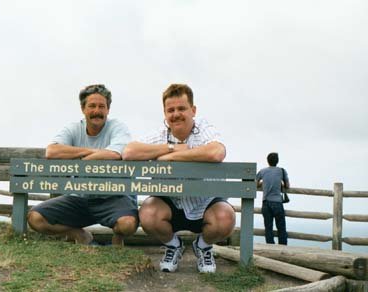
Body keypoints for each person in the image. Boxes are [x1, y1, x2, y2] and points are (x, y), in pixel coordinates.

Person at [122, 83, 235, 273]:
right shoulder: (159, 134)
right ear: (165, 113)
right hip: (170, 203)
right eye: (170, 110)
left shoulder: (204, 128)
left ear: (193, 110)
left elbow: (216, 152)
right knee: (148, 214)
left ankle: (203, 246)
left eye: (181, 108)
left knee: (225, 217)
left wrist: (171, 158)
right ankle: (174, 245)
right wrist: (171, 148)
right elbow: (128, 152)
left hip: (204, 202)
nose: (176, 114)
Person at [27, 84, 138, 246]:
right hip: (80, 197)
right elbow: (52, 151)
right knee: (35, 218)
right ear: (83, 108)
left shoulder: (117, 127)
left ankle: (118, 238)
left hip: (114, 196)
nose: (97, 111)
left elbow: (115, 154)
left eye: (102, 106)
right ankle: (79, 234)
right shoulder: (73, 128)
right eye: (92, 106)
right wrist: (91, 152)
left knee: (128, 225)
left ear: (108, 109)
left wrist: (79, 158)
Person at [256, 152, 290, 245]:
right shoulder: (282, 171)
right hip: (278, 203)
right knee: (281, 228)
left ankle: (270, 247)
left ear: (268, 161)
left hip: (266, 203)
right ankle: (283, 248)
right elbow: (287, 186)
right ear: (277, 161)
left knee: (268, 228)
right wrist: (281, 183)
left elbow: (255, 184)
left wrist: (262, 183)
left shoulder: (262, 171)